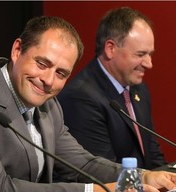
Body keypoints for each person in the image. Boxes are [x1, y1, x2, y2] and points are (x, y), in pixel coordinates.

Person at [0, 15, 176, 192]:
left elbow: (83, 164)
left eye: (61, 73)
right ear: (17, 50)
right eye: (42, 63)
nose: (48, 80)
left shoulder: (49, 105)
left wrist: (140, 176)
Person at [58, 7, 166, 170]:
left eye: (150, 54)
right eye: (140, 54)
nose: (149, 64)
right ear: (111, 49)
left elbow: (152, 154)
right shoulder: (81, 97)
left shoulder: (138, 88)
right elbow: (101, 172)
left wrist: (168, 183)